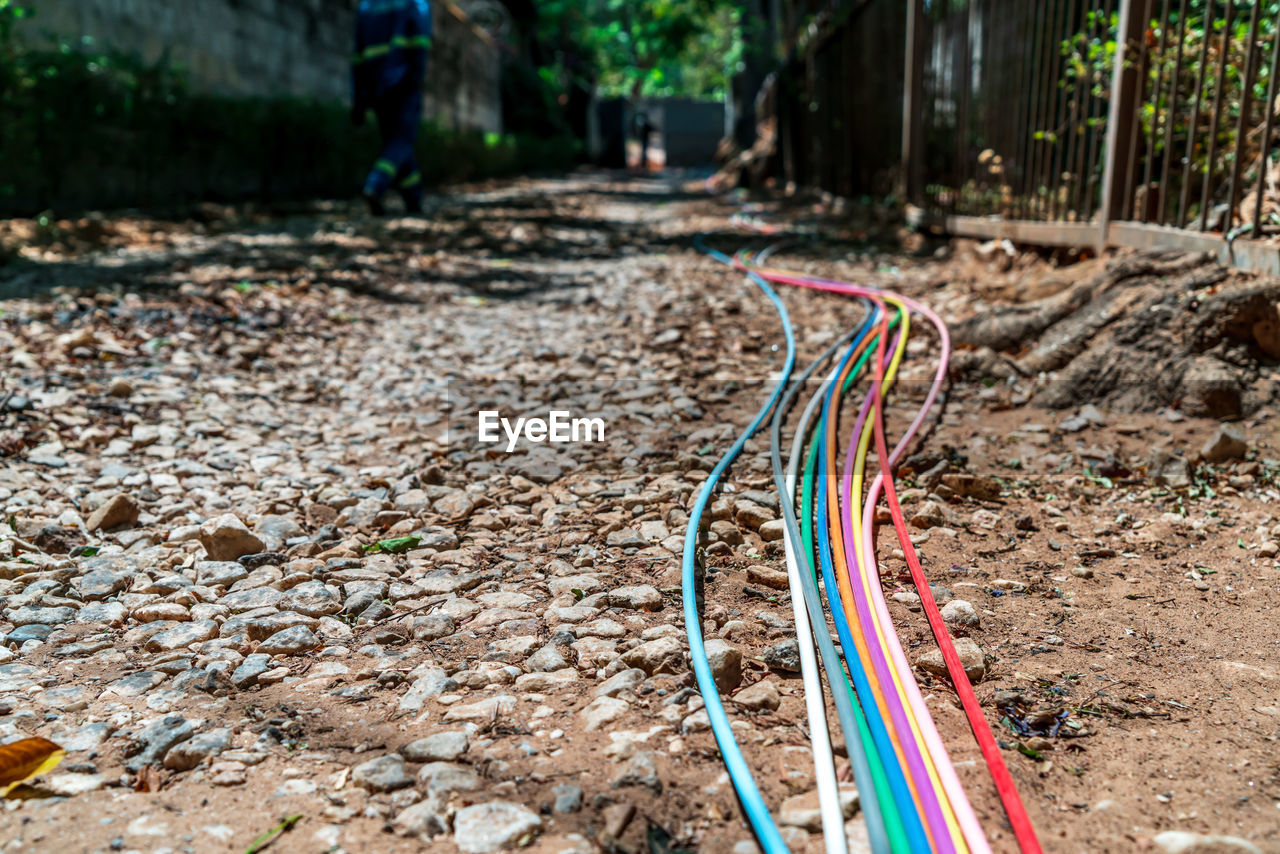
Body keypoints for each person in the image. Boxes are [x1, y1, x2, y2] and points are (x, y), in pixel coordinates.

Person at [351, 0, 433, 215]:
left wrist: (359, 98)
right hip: (403, 83)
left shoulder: (366, 6)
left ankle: (414, 200)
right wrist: (415, 78)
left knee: (395, 145)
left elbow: (358, 54)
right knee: (401, 141)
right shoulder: (414, 3)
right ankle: (375, 185)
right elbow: (420, 42)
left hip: (375, 86)